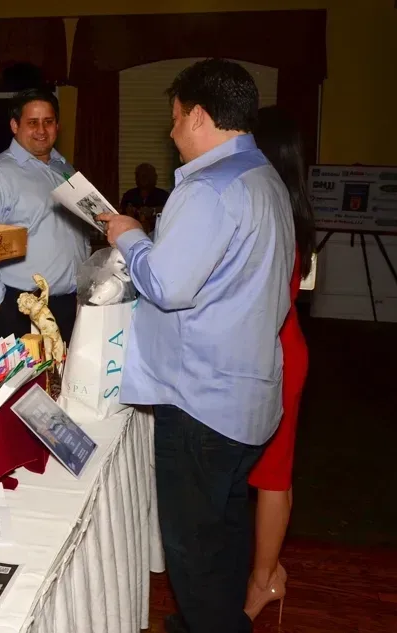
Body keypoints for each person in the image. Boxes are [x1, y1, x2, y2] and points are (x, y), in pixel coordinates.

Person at [99, 59, 294, 633]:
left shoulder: (207, 188)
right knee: (227, 536)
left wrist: (129, 236)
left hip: (200, 400)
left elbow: (166, 287)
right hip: (248, 396)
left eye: (177, 119)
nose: (172, 132)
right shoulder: (263, 177)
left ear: (201, 116)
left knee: (194, 556)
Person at [243, 105, 314, 623]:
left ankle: (263, 580)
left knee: (272, 476)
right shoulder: (293, 207)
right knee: (277, 474)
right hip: (284, 344)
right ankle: (268, 573)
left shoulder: (270, 210)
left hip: (275, 351)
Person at [0, 88, 89, 345]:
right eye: (32, 123)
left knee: (65, 382)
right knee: (27, 384)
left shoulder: (63, 166)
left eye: (48, 121)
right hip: (21, 307)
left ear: (58, 124)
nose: (41, 130)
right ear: (14, 125)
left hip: (71, 303)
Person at [120, 163, 170, 233]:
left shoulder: (163, 195)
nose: (144, 178)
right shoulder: (129, 195)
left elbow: (169, 215)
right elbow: (122, 218)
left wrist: (153, 211)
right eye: (141, 175)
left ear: (155, 177)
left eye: (147, 175)